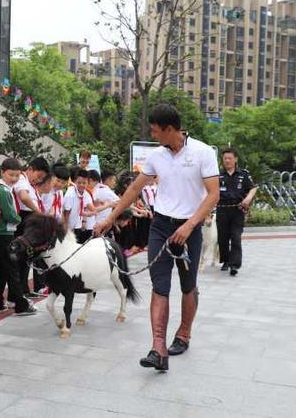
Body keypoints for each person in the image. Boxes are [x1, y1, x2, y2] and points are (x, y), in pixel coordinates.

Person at [94, 104, 219, 372]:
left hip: (190, 228)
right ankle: (158, 349)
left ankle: (184, 333)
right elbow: (134, 188)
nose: (153, 135)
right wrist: (109, 218)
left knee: (188, 285)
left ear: (170, 129)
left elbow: (213, 195)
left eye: (155, 130)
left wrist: (189, 225)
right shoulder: (157, 156)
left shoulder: (202, 152)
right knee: (159, 285)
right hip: (160, 226)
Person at [0, 158, 37, 316]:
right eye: (11, 175)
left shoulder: (5, 190)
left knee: (1, 269)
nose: (15, 178)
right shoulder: (3, 191)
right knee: (11, 269)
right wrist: (19, 219)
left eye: (17, 175)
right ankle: (20, 304)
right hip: (3, 234)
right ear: (2, 172)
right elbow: (10, 215)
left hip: (2, 233)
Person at [13, 157, 50, 298]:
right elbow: (23, 197)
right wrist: (37, 211)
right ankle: (18, 292)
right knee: (21, 257)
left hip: (29, 220)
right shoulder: (22, 179)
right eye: (38, 176)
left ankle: (23, 289)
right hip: (22, 219)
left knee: (27, 257)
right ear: (30, 169)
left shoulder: (30, 184)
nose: (38, 180)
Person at [217, 148, 257, 277]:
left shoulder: (243, 174)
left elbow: (253, 188)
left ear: (235, 159)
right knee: (223, 238)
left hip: (237, 210)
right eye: (225, 158)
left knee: (235, 237)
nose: (227, 161)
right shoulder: (218, 175)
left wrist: (248, 199)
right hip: (222, 209)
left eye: (229, 158)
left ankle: (234, 265)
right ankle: (226, 260)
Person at [63, 169, 97, 244]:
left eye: (84, 183)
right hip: (69, 226)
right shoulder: (70, 194)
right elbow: (66, 213)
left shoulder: (85, 193)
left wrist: (86, 217)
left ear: (88, 183)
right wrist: (67, 229)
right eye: (79, 183)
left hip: (77, 225)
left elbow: (90, 209)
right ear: (75, 182)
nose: (81, 185)